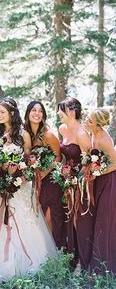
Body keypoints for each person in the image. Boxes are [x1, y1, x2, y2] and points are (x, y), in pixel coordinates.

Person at [0, 97, 56, 280]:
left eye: (2, 112)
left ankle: (29, 263)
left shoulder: (23, 135)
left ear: (12, 113)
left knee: (24, 220)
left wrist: (20, 175)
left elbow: (29, 161)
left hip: (20, 185)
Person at [58, 97, 94, 270]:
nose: (59, 113)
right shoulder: (63, 129)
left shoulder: (82, 134)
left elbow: (89, 162)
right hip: (66, 181)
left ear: (72, 112)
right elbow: (64, 155)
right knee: (69, 218)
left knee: (80, 220)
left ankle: (83, 262)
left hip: (81, 183)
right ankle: (71, 258)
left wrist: (75, 179)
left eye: (62, 110)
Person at [24, 101, 66, 248]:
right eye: (33, 110)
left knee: (52, 218)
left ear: (43, 115)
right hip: (32, 182)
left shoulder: (49, 135)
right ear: (28, 113)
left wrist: (44, 172)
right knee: (36, 217)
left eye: (40, 111)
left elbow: (58, 158)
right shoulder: (24, 134)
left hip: (50, 182)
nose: (37, 113)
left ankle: (57, 251)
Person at [84, 108, 116, 274]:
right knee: (97, 220)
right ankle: (97, 262)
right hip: (99, 181)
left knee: (105, 221)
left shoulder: (104, 139)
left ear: (98, 124)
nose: (86, 122)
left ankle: (106, 266)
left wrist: (97, 173)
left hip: (109, 183)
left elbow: (115, 163)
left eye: (90, 120)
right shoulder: (93, 134)